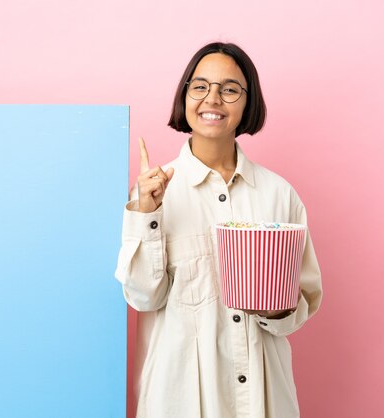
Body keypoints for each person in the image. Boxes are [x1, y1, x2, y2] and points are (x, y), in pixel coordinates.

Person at [115, 42, 323, 418]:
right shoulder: (153, 193)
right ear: (185, 96)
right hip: (183, 398)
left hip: (264, 396)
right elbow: (143, 297)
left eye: (229, 89)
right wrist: (148, 212)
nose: (213, 99)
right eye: (200, 86)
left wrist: (274, 308)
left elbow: (304, 300)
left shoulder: (279, 194)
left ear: (248, 102)